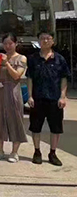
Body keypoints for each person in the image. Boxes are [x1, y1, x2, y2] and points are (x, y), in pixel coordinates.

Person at [27, 30, 69, 166]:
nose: (45, 41)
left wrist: (62, 97)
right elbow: (30, 78)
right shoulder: (33, 59)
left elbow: (64, 79)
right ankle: (37, 151)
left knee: (56, 128)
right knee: (35, 127)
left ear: (53, 41)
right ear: (38, 41)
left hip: (54, 98)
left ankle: (53, 153)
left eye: (48, 38)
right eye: (42, 38)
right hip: (37, 98)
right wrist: (30, 96)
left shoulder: (59, 59)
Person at [0, 33, 28, 163]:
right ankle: (0, 150)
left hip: (13, 91)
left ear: (16, 44)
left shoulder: (21, 58)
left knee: (15, 119)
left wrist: (6, 63)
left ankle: (14, 152)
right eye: (5, 43)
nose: (8, 46)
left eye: (10, 43)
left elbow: (17, 75)